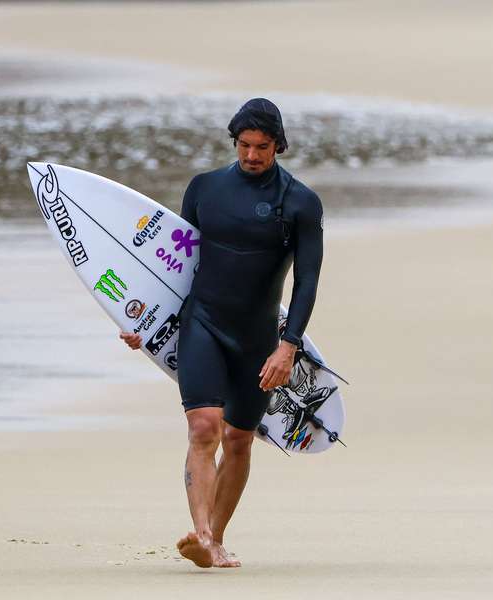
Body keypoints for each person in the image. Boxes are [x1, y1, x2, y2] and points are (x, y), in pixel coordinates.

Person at [119, 98, 324, 568]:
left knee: (238, 439)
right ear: (234, 142)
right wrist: (141, 321)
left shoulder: (299, 202)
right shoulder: (205, 189)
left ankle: (217, 537)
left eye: (263, 147)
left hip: (257, 338)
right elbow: (174, 263)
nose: (252, 155)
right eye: (245, 145)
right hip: (203, 323)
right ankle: (202, 535)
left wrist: (287, 346)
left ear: (279, 146)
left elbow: (307, 281)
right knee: (204, 427)